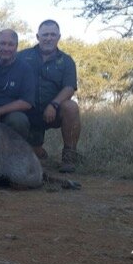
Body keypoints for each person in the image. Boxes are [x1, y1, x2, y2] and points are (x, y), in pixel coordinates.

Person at [18, 19, 81, 173]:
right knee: (35, 157)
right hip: (27, 111)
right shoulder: (21, 56)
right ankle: (38, 151)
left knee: (71, 107)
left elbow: (69, 87)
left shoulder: (66, 61)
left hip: (54, 111)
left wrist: (54, 104)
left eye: (53, 34)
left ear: (59, 37)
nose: (49, 38)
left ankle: (69, 157)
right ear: (37, 36)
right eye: (45, 34)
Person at [0, 29, 34, 140]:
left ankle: (16, 154)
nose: (6, 48)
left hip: (8, 114)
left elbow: (27, 102)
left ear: (16, 47)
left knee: (19, 120)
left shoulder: (25, 69)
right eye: (2, 43)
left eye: (10, 44)